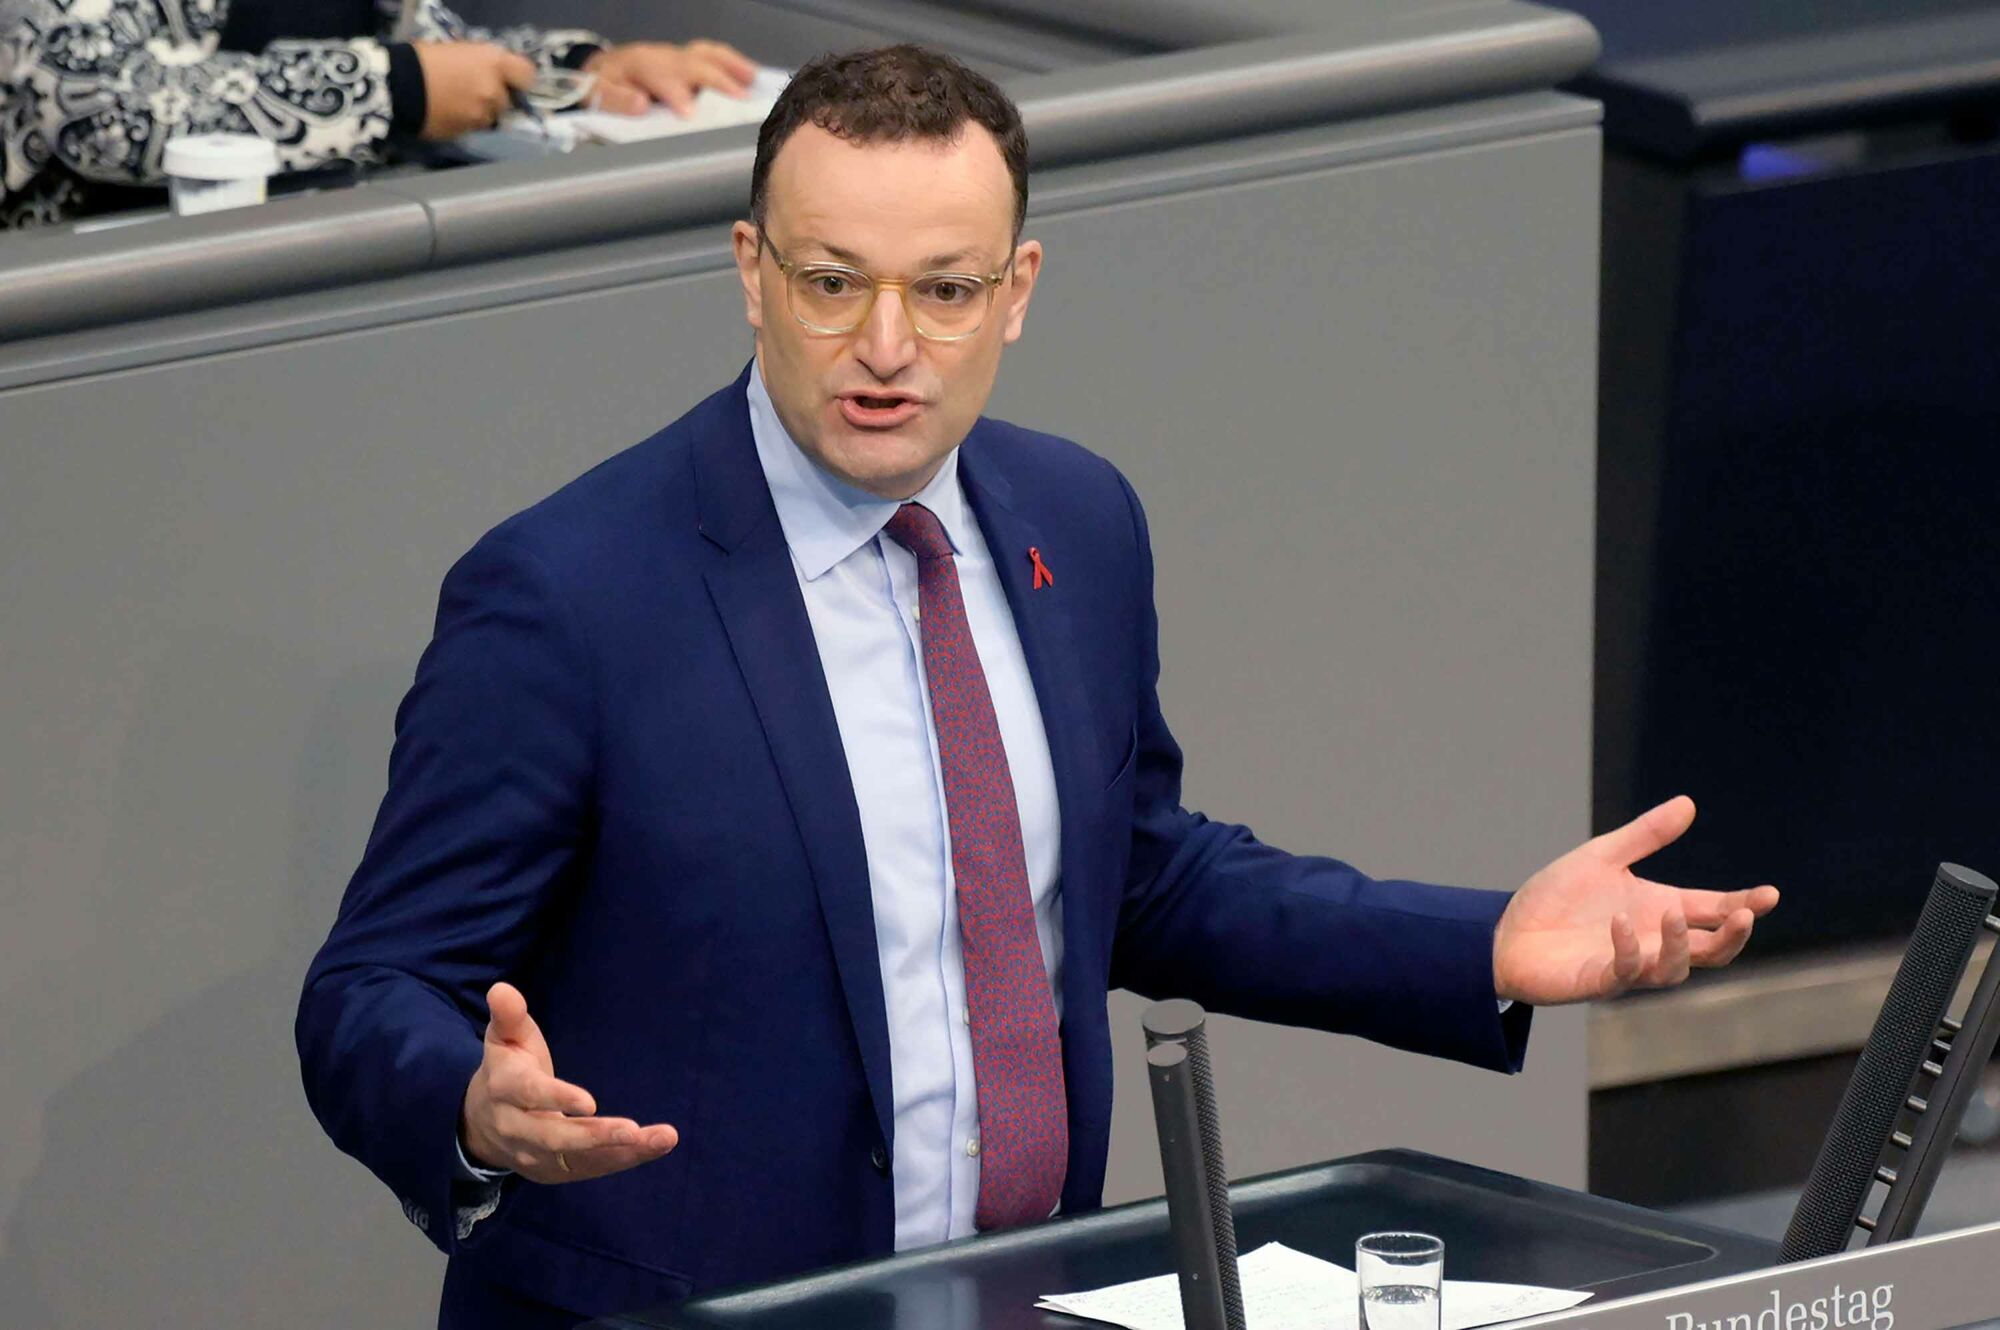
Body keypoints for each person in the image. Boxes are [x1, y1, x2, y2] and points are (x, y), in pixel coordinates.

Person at [295, 44, 1781, 1330]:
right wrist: (473, 1113)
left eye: (943, 290)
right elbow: (369, 988)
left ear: (1017, 292)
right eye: (833, 285)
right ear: (750, 272)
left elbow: (1135, 876)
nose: (888, 347)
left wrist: (1486, 943)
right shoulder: (570, 591)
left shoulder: (1077, 517)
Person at [0, 0, 756, 228]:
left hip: (319, 268)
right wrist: (397, 88)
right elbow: (96, 102)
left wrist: (576, 69)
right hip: (88, 320)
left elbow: (426, 44)